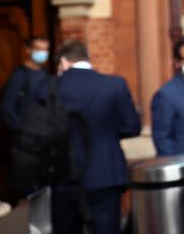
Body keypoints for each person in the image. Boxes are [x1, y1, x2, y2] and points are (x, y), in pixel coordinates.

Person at [32, 40, 141, 234]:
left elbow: (39, 132)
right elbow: (132, 127)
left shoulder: (48, 88)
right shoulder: (114, 85)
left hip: (63, 174)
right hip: (106, 172)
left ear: (63, 62)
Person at [0, 36, 50, 130]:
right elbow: (6, 108)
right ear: (28, 50)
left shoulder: (45, 73)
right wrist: (22, 129)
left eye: (45, 49)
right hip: (27, 135)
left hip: (43, 132)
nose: (43, 53)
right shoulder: (20, 75)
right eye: (39, 49)